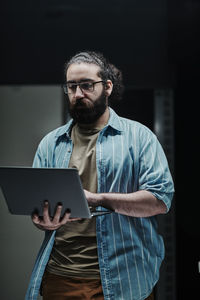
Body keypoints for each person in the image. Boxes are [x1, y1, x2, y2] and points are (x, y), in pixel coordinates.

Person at [25, 51, 174, 300]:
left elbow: (159, 200)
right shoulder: (50, 144)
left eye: (86, 85)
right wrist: (44, 221)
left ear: (107, 87)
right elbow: (40, 209)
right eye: (72, 87)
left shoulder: (140, 137)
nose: (78, 94)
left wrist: (96, 198)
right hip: (61, 277)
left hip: (126, 277)